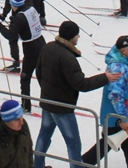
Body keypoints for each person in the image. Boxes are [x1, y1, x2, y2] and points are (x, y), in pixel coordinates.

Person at [33, 21, 119, 168]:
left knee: (44, 136)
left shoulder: (47, 47)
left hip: (47, 103)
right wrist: (105, 78)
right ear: (71, 36)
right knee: (73, 142)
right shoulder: (67, 57)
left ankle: (37, 165)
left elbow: (39, 72)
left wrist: (47, 92)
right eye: (77, 34)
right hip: (62, 108)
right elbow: (82, 85)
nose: (79, 36)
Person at [81, 36, 128, 168]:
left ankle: (81, 164)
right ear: (124, 51)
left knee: (107, 145)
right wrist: (123, 118)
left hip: (125, 118)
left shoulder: (124, 62)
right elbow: (116, 95)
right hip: (121, 121)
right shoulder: (119, 68)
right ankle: (81, 164)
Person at [0, 0, 45, 112]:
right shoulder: (31, 8)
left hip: (31, 48)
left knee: (25, 77)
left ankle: (26, 106)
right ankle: (48, 100)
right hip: (41, 43)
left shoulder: (19, 18)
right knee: (42, 75)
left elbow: (11, 35)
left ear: (14, 5)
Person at [0, 100, 33, 168]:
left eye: (22, 117)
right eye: (17, 119)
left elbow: (29, 155)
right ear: (6, 120)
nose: (22, 122)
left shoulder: (23, 128)